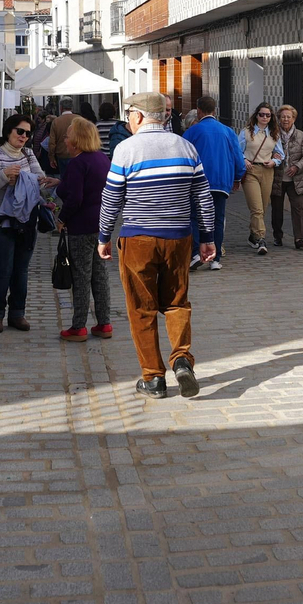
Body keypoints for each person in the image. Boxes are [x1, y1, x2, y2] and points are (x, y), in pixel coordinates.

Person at [98, 92, 215, 400]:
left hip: (138, 239)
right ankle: (181, 359)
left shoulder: (125, 149)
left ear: (137, 117)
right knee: (177, 302)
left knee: (142, 308)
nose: (127, 121)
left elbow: (111, 199)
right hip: (178, 238)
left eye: (128, 116)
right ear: (163, 117)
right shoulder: (186, 146)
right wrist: (208, 238)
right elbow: (203, 197)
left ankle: (153, 378)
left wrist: (103, 236)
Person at [0, 114, 57, 332]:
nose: (23, 137)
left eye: (28, 133)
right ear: (8, 131)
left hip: (25, 220)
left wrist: (31, 181)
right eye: (19, 131)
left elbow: (40, 182)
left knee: (21, 269)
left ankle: (17, 313)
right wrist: (4, 176)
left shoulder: (29, 155)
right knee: (3, 267)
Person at [56, 116, 112, 340]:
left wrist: (62, 218)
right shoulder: (101, 159)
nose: (66, 141)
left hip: (80, 226)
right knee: (100, 276)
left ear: (77, 140)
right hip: (101, 225)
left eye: (68, 137)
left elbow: (75, 197)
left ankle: (78, 326)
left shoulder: (78, 163)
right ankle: (104, 323)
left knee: (80, 277)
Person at [183, 96, 246, 271]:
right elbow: (238, 158)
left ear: (199, 111)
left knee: (195, 217)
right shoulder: (227, 131)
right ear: (215, 111)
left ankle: (196, 252)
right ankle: (215, 258)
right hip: (221, 181)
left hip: (198, 182)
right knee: (218, 219)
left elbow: (184, 156)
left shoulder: (192, 132)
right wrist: (237, 177)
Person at [239, 102, 284, 255]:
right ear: (256, 115)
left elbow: (280, 154)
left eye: (268, 115)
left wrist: (274, 161)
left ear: (271, 117)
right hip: (251, 171)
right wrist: (244, 160)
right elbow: (238, 151)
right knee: (256, 208)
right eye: (261, 114)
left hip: (267, 171)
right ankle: (261, 239)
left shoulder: (274, 133)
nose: (264, 117)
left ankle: (253, 235)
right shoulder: (246, 132)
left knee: (263, 207)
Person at [272, 104, 303, 250]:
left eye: (288, 117)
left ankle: (299, 238)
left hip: (296, 180)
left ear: (294, 118)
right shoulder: (273, 134)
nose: (285, 119)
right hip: (277, 178)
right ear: (278, 118)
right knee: (277, 210)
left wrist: (297, 167)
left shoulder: (301, 135)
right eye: (283, 117)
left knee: (298, 209)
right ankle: (277, 236)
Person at [49, 98, 76, 172]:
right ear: (72, 107)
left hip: (61, 154)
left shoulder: (56, 121)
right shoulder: (79, 119)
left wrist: (51, 157)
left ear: (61, 108)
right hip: (76, 153)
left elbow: (52, 142)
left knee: (64, 179)